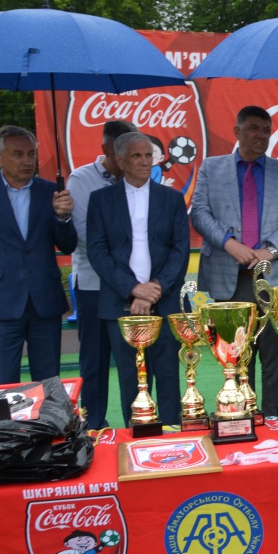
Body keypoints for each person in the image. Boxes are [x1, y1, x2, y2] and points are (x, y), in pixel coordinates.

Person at [189, 105, 278, 418]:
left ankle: (271, 416)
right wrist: (229, 244)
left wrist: (269, 251)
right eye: (254, 128)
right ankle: (240, 417)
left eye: (266, 130)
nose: (261, 136)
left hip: (277, 276)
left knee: (277, 353)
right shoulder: (210, 168)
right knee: (237, 356)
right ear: (237, 131)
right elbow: (199, 212)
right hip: (229, 279)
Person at [0, 125, 77, 385]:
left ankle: (48, 427)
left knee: (48, 383)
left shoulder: (51, 192)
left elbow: (68, 246)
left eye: (31, 154)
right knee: (3, 382)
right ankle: (4, 427)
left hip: (44, 301)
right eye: (18, 154)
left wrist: (63, 217)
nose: (27, 161)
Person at [86, 132, 190, 426]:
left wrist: (154, 290)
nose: (145, 162)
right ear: (120, 160)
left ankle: (171, 434)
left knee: (168, 374)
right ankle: (136, 438)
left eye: (148, 155)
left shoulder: (171, 199)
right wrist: (133, 290)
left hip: (164, 299)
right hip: (119, 305)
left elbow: (180, 249)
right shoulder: (101, 200)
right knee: (130, 377)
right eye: (136, 156)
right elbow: (97, 252)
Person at [67, 119, 139, 428]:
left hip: (132, 289)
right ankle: (93, 426)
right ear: (107, 150)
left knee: (132, 364)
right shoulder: (80, 180)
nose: (131, 159)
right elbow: (86, 236)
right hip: (94, 287)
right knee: (94, 362)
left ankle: (137, 422)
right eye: (125, 153)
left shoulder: (139, 180)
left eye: (136, 153)